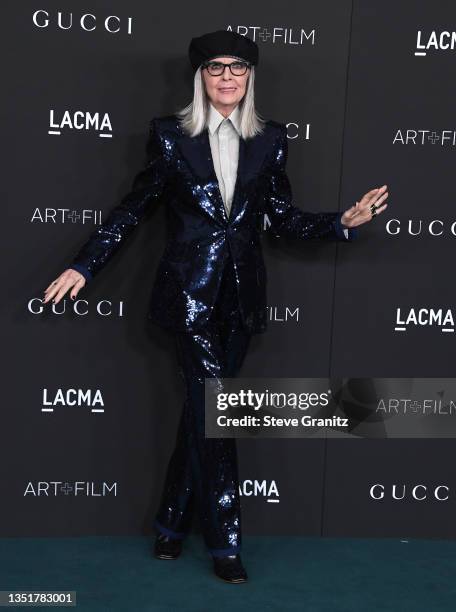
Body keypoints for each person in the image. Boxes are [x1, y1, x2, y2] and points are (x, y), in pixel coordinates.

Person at [42, 29, 389, 583]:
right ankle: (226, 542)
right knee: (220, 413)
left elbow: (281, 218)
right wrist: (84, 265)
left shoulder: (271, 139)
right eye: (215, 68)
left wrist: (339, 225)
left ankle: (170, 525)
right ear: (200, 77)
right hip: (188, 297)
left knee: (203, 414)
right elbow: (134, 210)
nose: (226, 77)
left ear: (249, 77)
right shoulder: (169, 136)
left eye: (237, 68)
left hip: (241, 300)